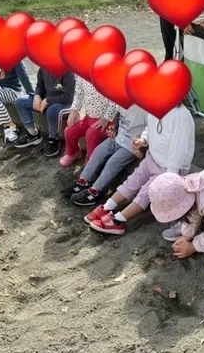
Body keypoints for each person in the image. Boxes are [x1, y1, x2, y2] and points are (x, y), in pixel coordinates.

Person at [86, 105, 195, 236]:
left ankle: (119, 220)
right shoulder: (156, 108)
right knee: (133, 180)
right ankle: (108, 206)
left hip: (170, 168)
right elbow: (150, 128)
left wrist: (169, 176)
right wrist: (143, 140)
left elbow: (179, 148)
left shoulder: (180, 116)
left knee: (146, 192)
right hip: (153, 157)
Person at [61, 104, 148, 207]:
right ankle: (84, 180)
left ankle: (96, 190)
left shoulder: (147, 111)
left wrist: (141, 146)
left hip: (131, 146)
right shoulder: (124, 101)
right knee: (99, 151)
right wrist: (114, 128)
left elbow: (150, 131)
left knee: (113, 163)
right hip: (117, 137)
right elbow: (119, 116)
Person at [13, 66, 76, 158]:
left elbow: (68, 97)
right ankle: (33, 134)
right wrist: (37, 96)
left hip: (64, 104)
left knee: (52, 110)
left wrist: (47, 101)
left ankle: (53, 139)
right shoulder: (43, 68)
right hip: (45, 101)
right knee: (20, 101)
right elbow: (39, 85)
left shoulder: (68, 71)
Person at [60, 76, 118, 167]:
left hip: (107, 121)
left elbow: (116, 98)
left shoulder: (110, 74)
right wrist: (74, 110)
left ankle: (92, 163)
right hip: (88, 118)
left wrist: (106, 118)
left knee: (92, 134)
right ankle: (74, 152)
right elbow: (78, 94)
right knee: (69, 131)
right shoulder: (82, 75)